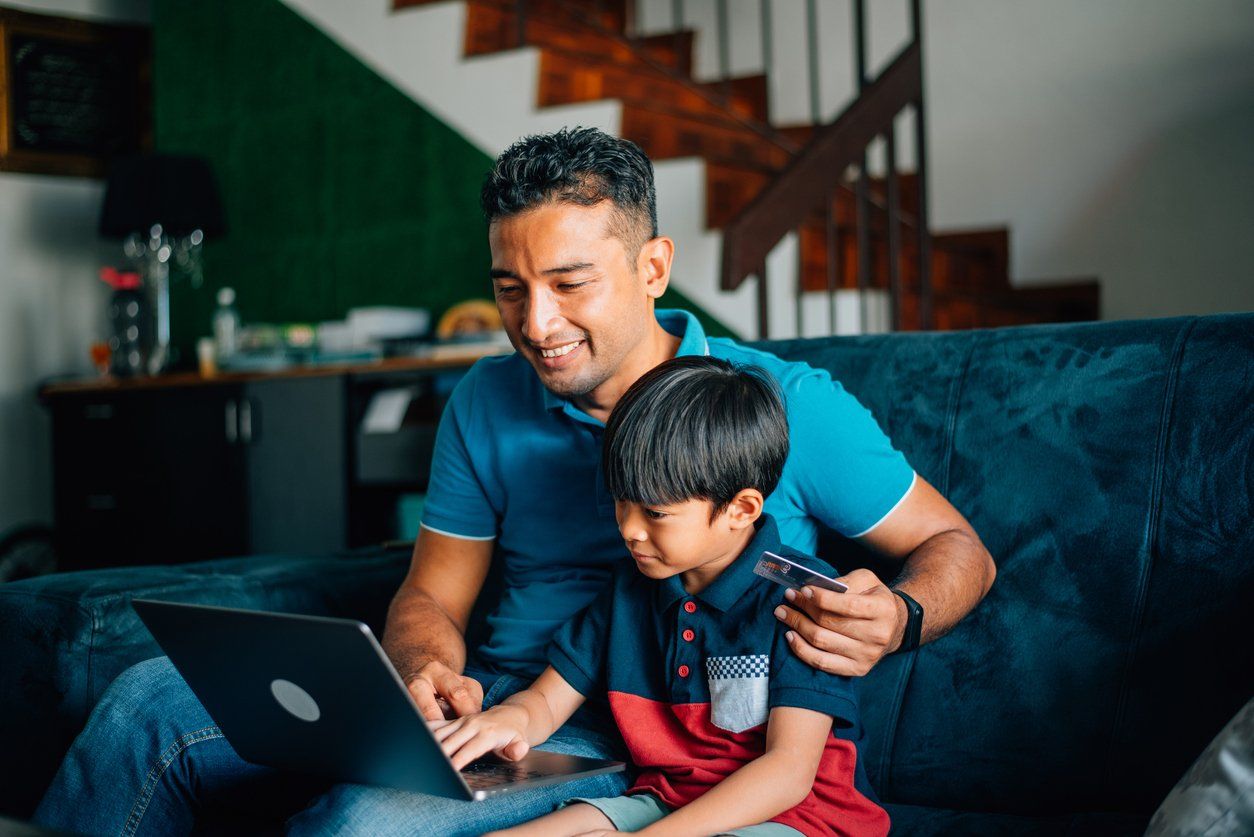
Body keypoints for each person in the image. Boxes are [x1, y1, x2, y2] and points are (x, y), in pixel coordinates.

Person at [35, 128, 995, 835]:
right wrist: (424, 670)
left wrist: (901, 615)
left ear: (653, 266)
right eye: (509, 287)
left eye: (571, 283)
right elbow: (431, 594)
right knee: (146, 703)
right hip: (498, 701)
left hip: (632, 732)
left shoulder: (784, 405)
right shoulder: (487, 398)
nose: (536, 325)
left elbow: (959, 551)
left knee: (360, 825)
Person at [437, 355, 890, 837]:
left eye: (655, 513)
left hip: (801, 817)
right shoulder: (628, 589)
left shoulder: (803, 598)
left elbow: (788, 774)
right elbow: (547, 703)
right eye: (621, 501)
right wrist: (508, 719)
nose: (629, 530)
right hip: (667, 798)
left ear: (741, 509)